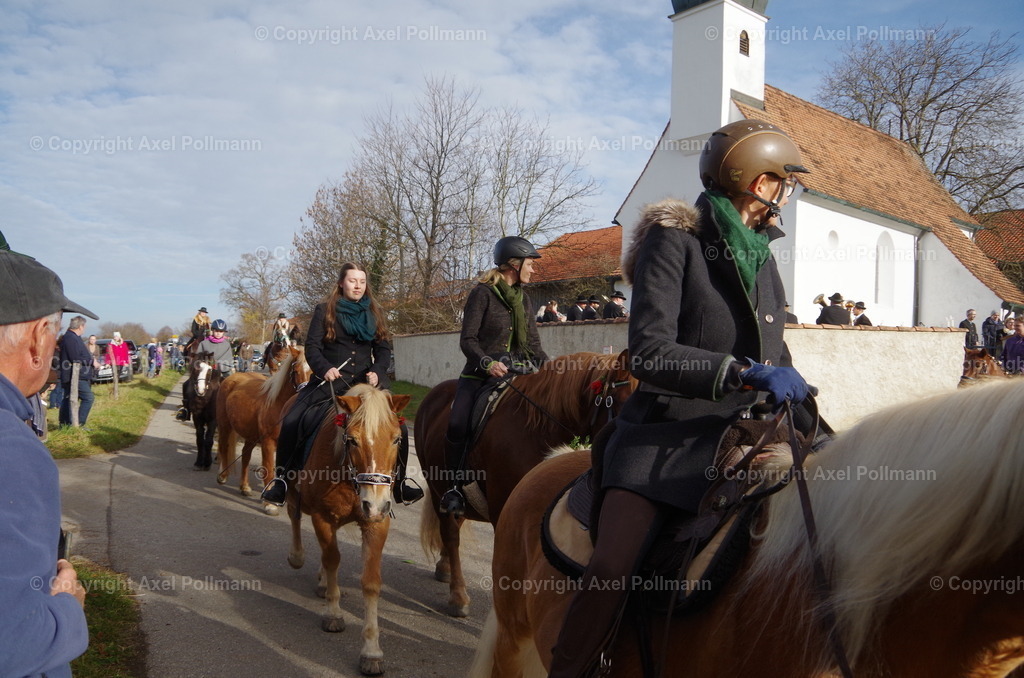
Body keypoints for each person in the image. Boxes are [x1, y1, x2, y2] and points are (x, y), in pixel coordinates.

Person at [548, 119, 822, 676]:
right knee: (613, 568)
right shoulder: (673, 242)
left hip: (747, 429)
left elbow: (773, 349)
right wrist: (743, 374)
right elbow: (649, 352)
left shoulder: (763, 256)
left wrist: (799, 393)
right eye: (779, 182)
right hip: (666, 440)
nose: (785, 194)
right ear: (751, 179)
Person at [261, 262, 422, 506]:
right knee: (293, 418)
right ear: (341, 283)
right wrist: (325, 368)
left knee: (399, 427)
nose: (357, 286)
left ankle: (399, 483)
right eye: (352, 281)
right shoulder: (325, 310)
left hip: (366, 384)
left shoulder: (375, 312)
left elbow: (383, 349)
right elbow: (313, 347)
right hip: (331, 382)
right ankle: (282, 481)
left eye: (362, 281)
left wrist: (378, 371)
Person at [0, 248, 90, 676]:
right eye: (52, 338)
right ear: (38, 340)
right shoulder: (11, 447)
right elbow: (12, 641)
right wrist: (69, 610)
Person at [438, 236, 550, 517]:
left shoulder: (523, 299)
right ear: (514, 264)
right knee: (457, 423)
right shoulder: (482, 294)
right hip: (480, 376)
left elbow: (533, 346)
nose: (533, 269)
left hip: (517, 373)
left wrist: (551, 372)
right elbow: (468, 339)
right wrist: (487, 362)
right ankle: (454, 487)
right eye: (530, 263)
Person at [58, 316, 98, 428]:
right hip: (75, 375)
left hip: (77, 374)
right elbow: (75, 357)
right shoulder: (70, 338)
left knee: (68, 398)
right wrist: (91, 361)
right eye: (84, 326)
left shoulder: (73, 337)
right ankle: (78, 424)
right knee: (88, 398)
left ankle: (65, 424)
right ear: (81, 326)